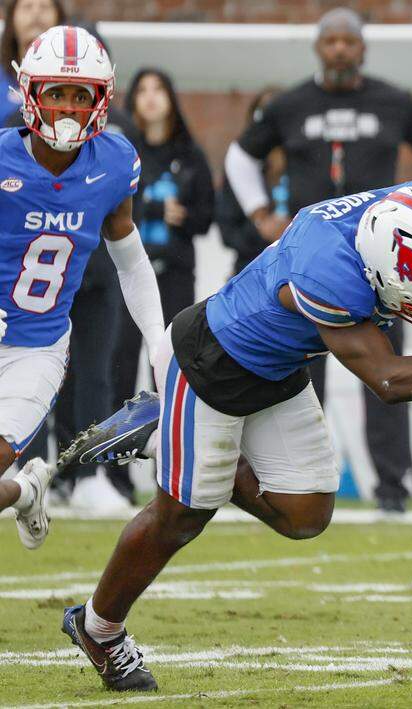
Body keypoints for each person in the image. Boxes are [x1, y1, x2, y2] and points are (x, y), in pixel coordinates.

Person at [60, 179, 412, 691]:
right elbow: (390, 379)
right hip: (211, 365)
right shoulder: (327, 272)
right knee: (182, 516)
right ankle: (99, 628)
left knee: (306, 515)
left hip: (280, 366)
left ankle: (171, 439)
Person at [225, 7, 412, 512]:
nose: (341, 49)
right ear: (318, 48)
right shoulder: (289, 104)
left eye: (350, 41)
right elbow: (241, 156)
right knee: (300, 371)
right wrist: (261, 213)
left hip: (385, 262)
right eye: (332, 41)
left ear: (363, 48)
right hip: (309, 261)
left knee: (386, 370)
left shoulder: (395, 101)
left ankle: (392, 487)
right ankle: (295, 480)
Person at [0, 26, 164, 548]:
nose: (68, 107)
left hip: (36, 348)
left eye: (80, 95)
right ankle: (25, 491)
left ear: (100, 101)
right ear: (32, 94)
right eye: (56, 93)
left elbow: (131, 262)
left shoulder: (113, 163)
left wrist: (159, 343)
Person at [112, 68, 215, 409]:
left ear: (171, 98)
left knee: (172, 365)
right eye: (142, 90)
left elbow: (205, 218)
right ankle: (115, 463)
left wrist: (183, 215)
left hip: (175, 273)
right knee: (120, 367)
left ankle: (171, 454)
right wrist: (154, 208)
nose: (151, 97)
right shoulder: (121, 151)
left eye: (159, 89)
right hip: (128, 273)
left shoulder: (190, 154)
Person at [216, 88, 282, 275]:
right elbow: (227, 232)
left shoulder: (305, 167)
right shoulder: (239, 166)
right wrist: (262, 229)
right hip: (250, 269)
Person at [0, 0, 63, 124]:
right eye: (27, 7)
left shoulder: (77, 78)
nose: (36, 12)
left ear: (59, 17)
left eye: (44, 7)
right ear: (12, 18)